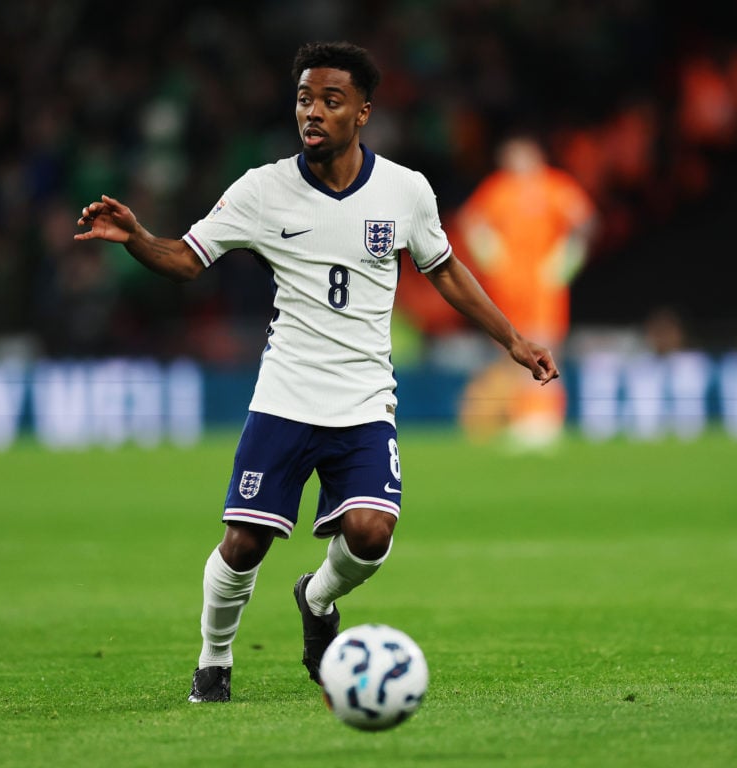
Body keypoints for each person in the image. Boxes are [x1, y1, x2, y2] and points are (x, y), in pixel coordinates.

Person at [74, 41, 558, 703]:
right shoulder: (262, 189)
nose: (314, 111)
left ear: (363, 112)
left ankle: (318, 597)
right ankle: (214, 661)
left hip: (363, 401)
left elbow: (443, 267)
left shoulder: (405, 191)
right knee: (243, 545)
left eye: (332, 100)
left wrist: (512, 338)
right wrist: (136, 238)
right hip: (285, 397)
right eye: (305, 98)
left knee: (371, 533)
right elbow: (187, 259)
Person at [455, 134, 596, 448]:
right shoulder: (499, 188)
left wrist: (566, 261)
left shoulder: (555, 187)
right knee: (512, 354)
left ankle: (545, 421)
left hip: (543, 288)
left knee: (545, 346)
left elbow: (586, 223)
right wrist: (489, 254)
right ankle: (524, 418)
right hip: (507, 289)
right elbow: (470, 221)